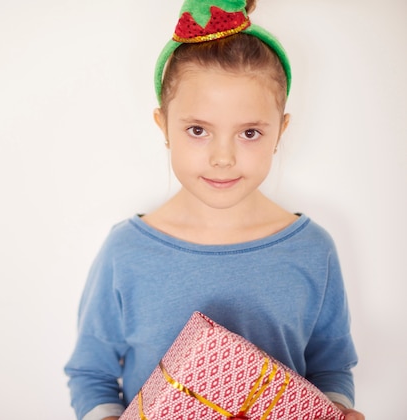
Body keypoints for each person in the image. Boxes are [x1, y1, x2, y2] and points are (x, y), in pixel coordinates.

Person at [64, 0, 365, 419]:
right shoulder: (126, 251)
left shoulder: (314, 249)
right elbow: (90, 371)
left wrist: (337, 407)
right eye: (198, 130)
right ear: (163, 126)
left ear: (281, 131)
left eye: (250, 132)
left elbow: (331, 365)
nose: (223, 157)